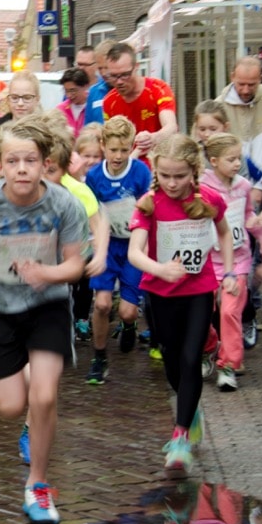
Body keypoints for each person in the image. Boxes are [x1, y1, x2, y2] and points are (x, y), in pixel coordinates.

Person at [0, 115, 87, 524]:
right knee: (10, 407)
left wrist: (49, 274)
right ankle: (27, 373)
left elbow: (76, 264)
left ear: (45, 163)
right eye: (13, 161)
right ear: (0, 165)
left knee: (44, 398)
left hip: (47, 305)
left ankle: (38, 485)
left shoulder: (64, 204)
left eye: (30, 160)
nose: (22, 168)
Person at [127, 134, 235, 474]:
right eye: (165, 175)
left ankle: (181, 435)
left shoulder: (210, 199)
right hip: (159, 294)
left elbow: (224, 233)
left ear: (194, 172)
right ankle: (192, 411)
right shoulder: (149, 203)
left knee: (191, 359)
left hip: (198, 291)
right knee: (172, 361)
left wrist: (228, 270)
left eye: (180, 176)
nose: (172, 183)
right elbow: (134, 253)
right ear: (155, 171)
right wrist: (161, 269)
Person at [85, 116, 151, 384]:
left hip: (133, 244)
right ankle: (99, 357)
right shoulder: (94, 176)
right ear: (103, 145)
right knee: (101, 304)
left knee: (127, 310)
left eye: (125, 149)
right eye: (113, 150)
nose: (119, 155)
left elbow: (149, 208)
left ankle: (129, 323)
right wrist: (94, 243)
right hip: (107, 245)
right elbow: (91, 212)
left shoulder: (140, 172)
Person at [200, 133, 262, 390]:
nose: (237, 164)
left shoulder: (244, 187)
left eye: (239, 158)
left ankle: (228, 366)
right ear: (214, 161)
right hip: (206, 262)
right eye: (231, 159)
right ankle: (208, 348)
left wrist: (259, 233)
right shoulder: (200, 188)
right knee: (203, 314)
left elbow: (249, 215)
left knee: (229, 311)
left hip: (237, 260)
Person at [102, 42, 178, 163]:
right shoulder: (109, 101)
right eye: (114, 76)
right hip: (129, 168)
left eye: (125, 75)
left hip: (159, 165)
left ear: (136, 67)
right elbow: (110, 140)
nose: (119, 81)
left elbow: (171, 127)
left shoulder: (158, 89)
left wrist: (153, 138)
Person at [215, 57, 262, 146]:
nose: (246, 90)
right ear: (232, 77)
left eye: (251, 85)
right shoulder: (217, 107)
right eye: (241, 84)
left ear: (260, 79)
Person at [84, 40, 116, 125]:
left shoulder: (127, 90)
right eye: (100, 68)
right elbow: (88, 126)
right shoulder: (93, 92)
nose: (104, 73)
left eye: (106, 67)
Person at [58, 68, 91, 138]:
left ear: (85, 86)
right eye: (66, 91)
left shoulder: (92, 107)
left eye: (73, 90)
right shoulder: (60, 110)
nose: (69, 95)